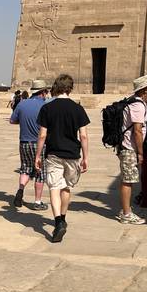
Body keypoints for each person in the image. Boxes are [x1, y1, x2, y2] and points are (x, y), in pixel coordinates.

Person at [35, 74, 90, 242]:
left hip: (53, 154)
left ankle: (58, 221)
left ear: (56, 87)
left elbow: (42, 135)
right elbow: (84, 136)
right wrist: (85, 157)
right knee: (66, 187)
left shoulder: (47, 108)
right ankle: (63, 218)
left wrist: (38, 155)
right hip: (72, 154)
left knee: (54, 188)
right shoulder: (78, 108)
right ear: (70, 88)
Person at [116, 75, 147, 225]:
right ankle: (126, 214)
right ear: (144, 90)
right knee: (128, 180)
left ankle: (126, 208)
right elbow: (137, 130)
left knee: (128, 179)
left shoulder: (134, 102)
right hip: (129, 148)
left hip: (126, 146)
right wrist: (140, 152)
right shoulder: (138, 105)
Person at [10, 80, 51, 211]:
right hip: (39, 144)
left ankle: (20, 190)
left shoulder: (22, 104)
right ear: (43, 92)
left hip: (24, 142)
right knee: (40, 172)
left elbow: (12, 120)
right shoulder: (45, 106)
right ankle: (37, 202)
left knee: (25, 169)